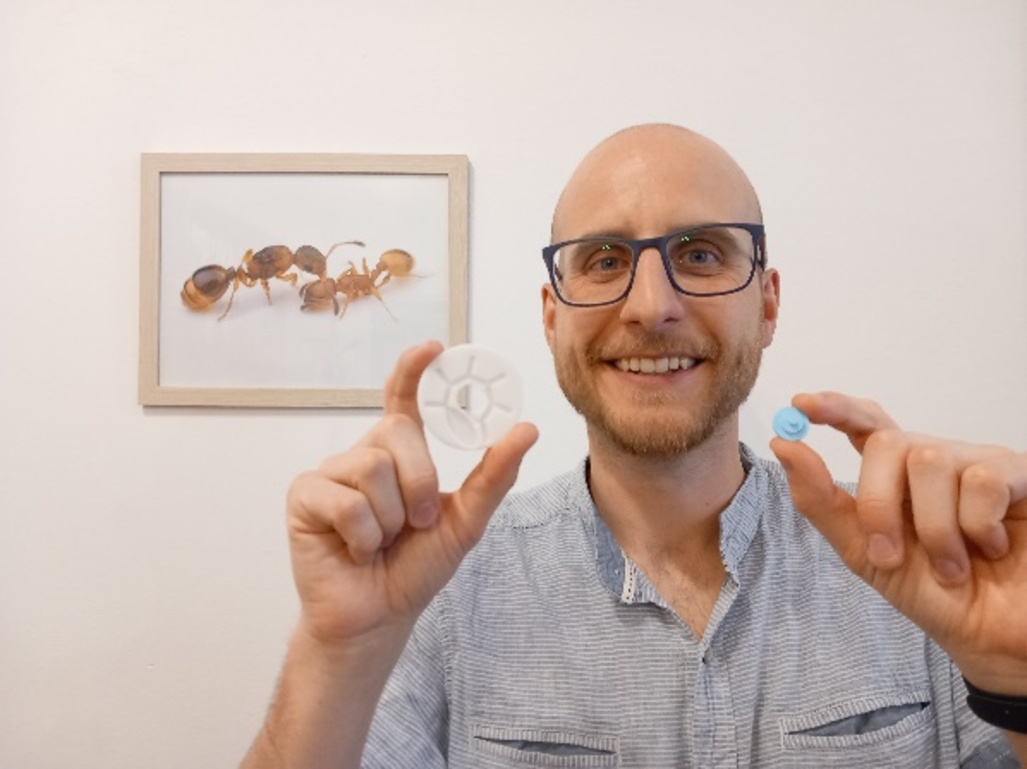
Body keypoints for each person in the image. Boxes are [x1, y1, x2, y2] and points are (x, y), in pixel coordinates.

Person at [241, 124, 1027, 768]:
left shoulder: (920, 569)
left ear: (768, 303)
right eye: (606, 260)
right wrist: (337, 651)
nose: (651, 307)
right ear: (551, 317)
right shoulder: (443, 589)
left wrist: (1018, 674)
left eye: (701, 254)